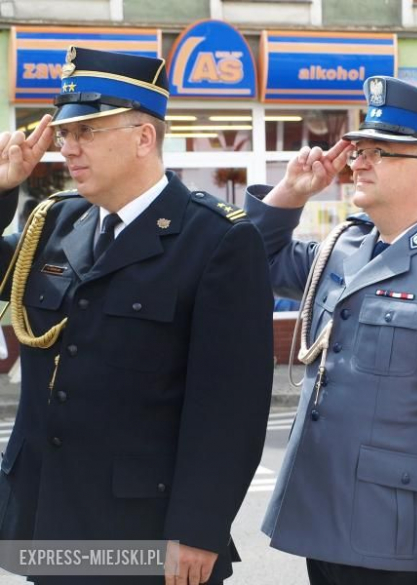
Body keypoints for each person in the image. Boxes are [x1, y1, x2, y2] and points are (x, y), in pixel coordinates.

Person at [0, 46, 274, 584]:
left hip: (142, 528)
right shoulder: (54, 221)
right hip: (47, 515)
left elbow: (230, 410)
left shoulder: (216, 240)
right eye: (65, 135)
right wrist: (3, 188)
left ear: (144, 138)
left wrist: (199, 528)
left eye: (87, 133)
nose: (68, 149)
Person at [246, 76, 417, 585]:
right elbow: (250, 263)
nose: (359, 161)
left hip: (399, 543)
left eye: (381, 151)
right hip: (323, 523)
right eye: (359, 150)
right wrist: (290, 193)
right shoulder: (343, 249)